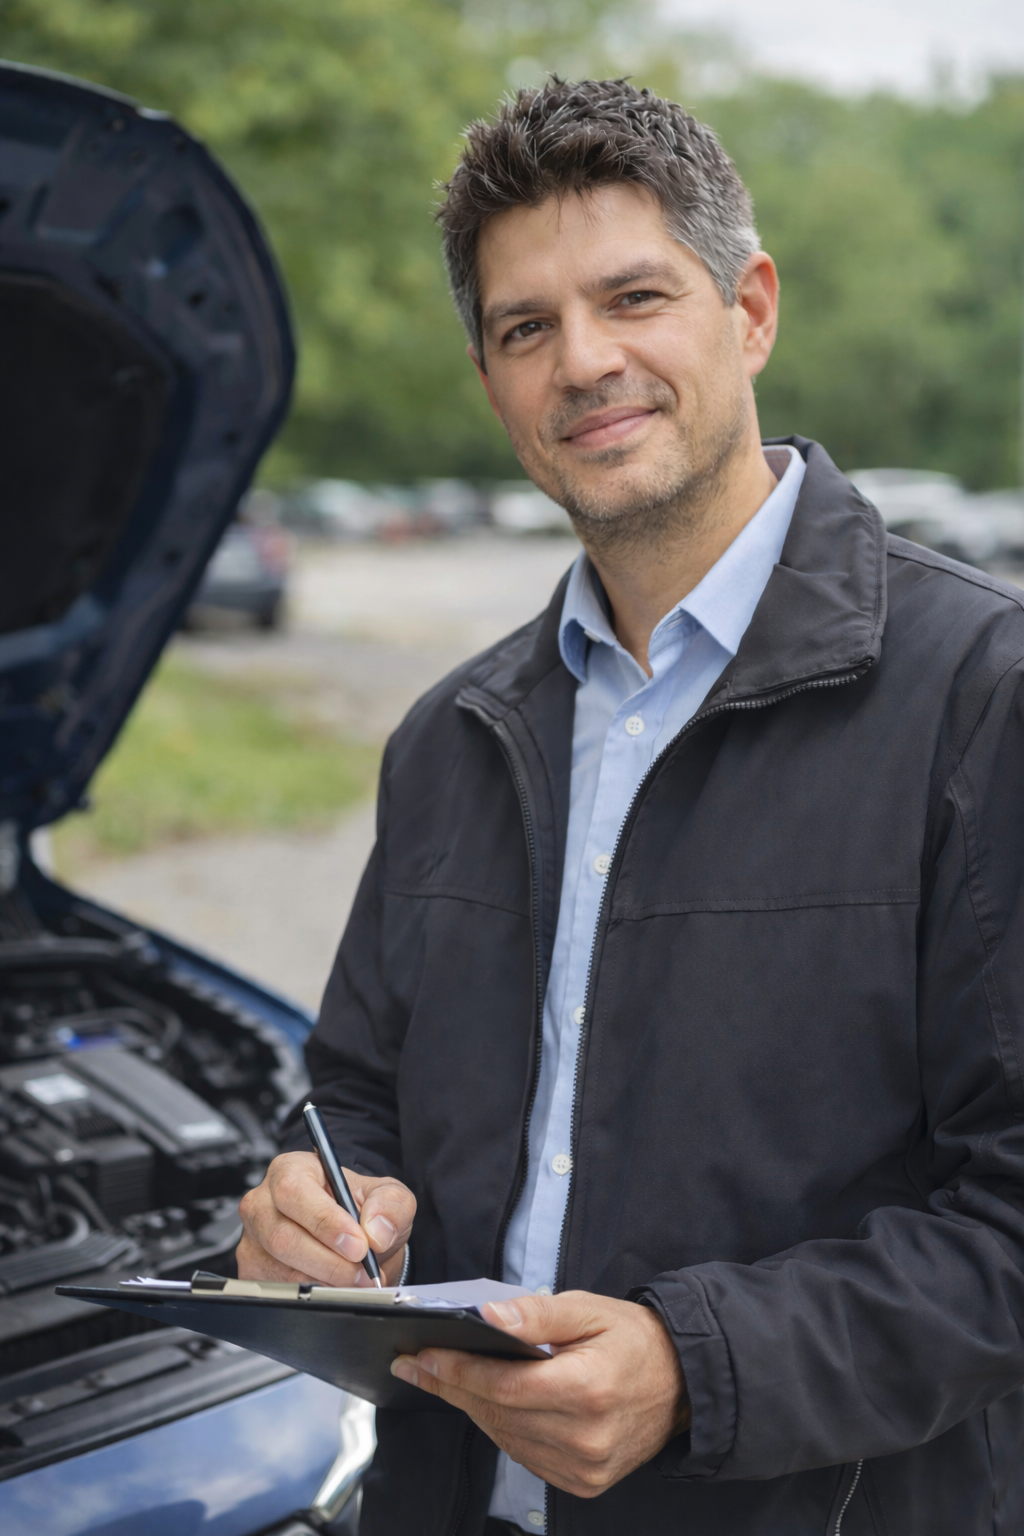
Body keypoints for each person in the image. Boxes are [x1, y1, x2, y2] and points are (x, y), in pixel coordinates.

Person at [237, 78, 1024, 1535]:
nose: (583, 360)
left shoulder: (983, 692)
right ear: (491, 381)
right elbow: (353, 1094)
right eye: (525, 328)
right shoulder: (448, 738)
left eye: (634, 297)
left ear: (752, 310)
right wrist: (316, 1201)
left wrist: (695, 1368)